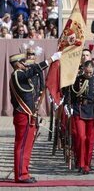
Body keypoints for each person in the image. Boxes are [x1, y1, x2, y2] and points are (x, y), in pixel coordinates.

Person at [9, 50, 62, 183]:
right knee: (22, 146)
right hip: (23, 115)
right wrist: (50, 59)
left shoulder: (22, 74)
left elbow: (33, 69)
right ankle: (21, 174)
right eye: (22, 62)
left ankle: (24, 171)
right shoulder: (17, 74)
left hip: (28, 114)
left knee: (27, 145)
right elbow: (31, 71)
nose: (25, 64)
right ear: (16, 64)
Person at [64, 60, 94, 175]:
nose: (88, 75)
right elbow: (71, 95)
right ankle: (81, 162)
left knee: (90, 140)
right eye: (86, 72)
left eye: (90, 72)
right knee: (80, 137)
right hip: (79, 109)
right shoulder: (77, 79)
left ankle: (87, 164)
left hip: (92, 111)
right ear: (83, 69)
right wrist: (67, 106)